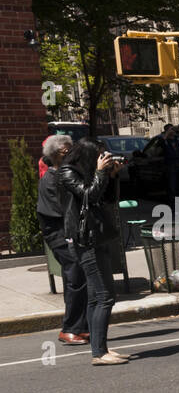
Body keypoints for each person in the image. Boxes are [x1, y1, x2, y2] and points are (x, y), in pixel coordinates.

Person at [57, 139, 127, 365]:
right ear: (86, 154)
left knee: (96, 297)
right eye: (98, 154)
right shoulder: (68, 172)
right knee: (105, 296)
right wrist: (99, 173)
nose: (101, 157)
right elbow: (89, 195)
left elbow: (107, 199)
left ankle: (100, 348)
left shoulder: (90, 172)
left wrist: (112, 175)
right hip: (84, 240)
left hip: (97, 237)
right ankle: (99, 352)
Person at [37, 134, 88, 346]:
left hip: (63, 233)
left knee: (74, 278)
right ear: (62, 152)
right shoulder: (53, 179)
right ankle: (70, 329)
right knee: (76, 277)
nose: (75, 150)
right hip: (59, 234)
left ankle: (80, 327)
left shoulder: (60, 174)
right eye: (71, 147)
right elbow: (65, 211)